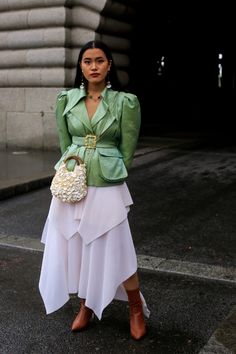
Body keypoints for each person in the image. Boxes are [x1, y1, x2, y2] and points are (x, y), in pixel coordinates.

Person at [39, 40, 150, 340]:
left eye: (99, 60)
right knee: (77, 244)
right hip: (74, 180)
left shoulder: (124, 102)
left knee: (117, 246)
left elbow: (127, 148)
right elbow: (65, 142)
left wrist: (112, 169)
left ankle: (135, 308)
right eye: (87, 61)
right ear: (81, 66)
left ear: (109, 65)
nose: (93, 66)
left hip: (107, 181)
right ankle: (86, 305)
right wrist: (71, 169)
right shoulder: (67, 99)